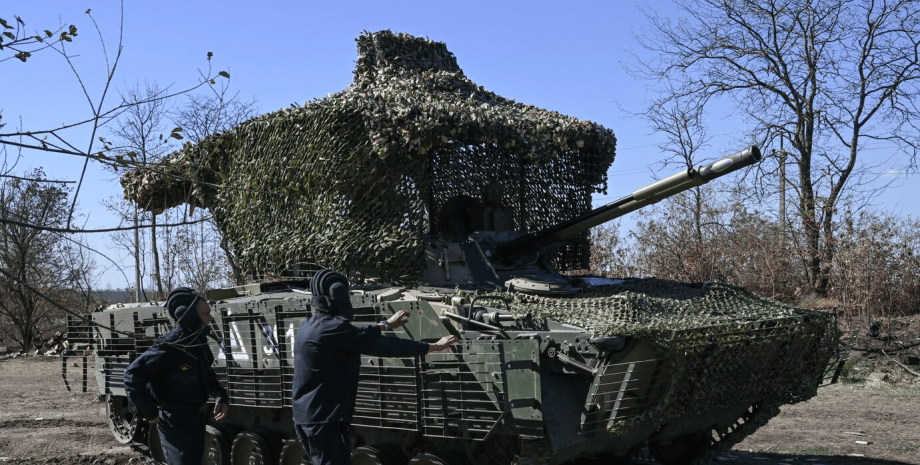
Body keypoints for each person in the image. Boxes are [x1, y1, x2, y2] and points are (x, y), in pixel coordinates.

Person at [292, 269, 458, 465]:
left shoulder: (310, 325)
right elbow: (385, 346)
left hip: (307, 416)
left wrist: (385, 325)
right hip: (324, 419)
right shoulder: (333, 329)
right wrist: (432, 346)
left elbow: (354, 333)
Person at [123, 287, 230, 465]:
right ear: (188, 317)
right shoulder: (169, 346)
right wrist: (148, 411)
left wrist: (220, 395)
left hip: (195, 420)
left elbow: (207, 373)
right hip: (174, 423)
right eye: (206, 313)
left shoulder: (198, 342)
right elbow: (132, 374)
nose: (210, 318)